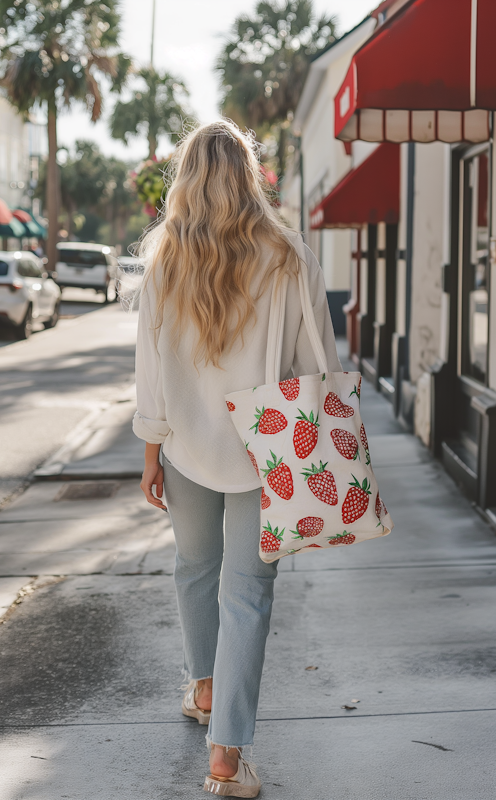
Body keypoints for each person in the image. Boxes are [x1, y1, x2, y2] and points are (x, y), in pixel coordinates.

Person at [133, 120, 341, 798]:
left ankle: (204, 684)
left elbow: (148, 370)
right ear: (249, 176)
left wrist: (150, 447)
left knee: (195, 566)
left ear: (186, 180)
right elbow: (318, 362)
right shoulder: (289, 255)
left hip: (187, 445)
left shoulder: (164, 257)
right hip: (268, 446)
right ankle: (225, 756)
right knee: (247, 592)